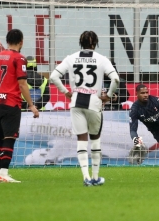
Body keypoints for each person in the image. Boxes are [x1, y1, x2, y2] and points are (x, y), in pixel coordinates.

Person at [49, 31, 120, 186]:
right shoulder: (102, 59)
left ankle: (86, 177)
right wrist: (108, 95)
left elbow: (53, 76)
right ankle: (95, 177)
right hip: (94, 103)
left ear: (81, 43)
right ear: (95, 43)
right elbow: (115, 79)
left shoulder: (71, 58)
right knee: (95, 139)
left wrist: (66, 92)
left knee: (81, 139)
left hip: (76, 103)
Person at [0, 29, 40, 183]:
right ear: (21, 41)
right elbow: (22, 83)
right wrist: (31, 105)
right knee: (10, 138)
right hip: (10, 102)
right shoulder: (19, 58)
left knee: (0, 139)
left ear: (7, 41)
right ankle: (4, 174)